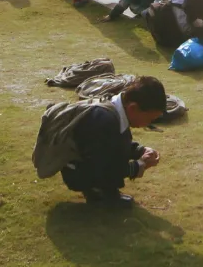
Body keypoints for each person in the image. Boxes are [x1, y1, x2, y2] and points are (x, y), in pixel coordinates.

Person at [58, 76, 166, 209]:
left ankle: (102, 190)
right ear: (133, 108)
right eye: (149, 119)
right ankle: (98, 192)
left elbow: (115, 144)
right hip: (77, 172)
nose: (149, 123)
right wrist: (138, 166)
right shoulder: (104, 120)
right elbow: (102, 166)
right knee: (105, 168)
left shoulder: (116, 107)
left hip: (85, 163)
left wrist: (140, 150)